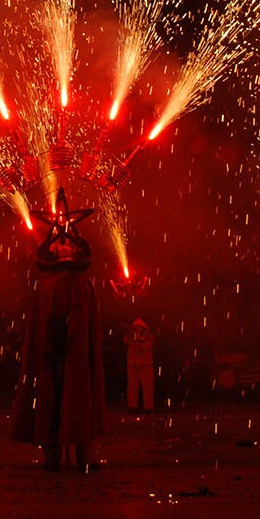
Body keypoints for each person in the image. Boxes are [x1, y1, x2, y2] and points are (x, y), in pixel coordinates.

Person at [10, 192, 105, 473]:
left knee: (78, 394)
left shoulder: (83, 284)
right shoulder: (48, 285)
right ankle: (50, 453)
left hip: (76, 355)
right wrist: (52, 345)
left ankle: (83, 452)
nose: (64, 244)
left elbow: (86, 326)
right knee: (50, 395)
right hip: (52, 354)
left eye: (68, 241)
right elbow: (44, 324)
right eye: (59, 241)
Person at [124, 318, 155, 412]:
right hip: (133, 366)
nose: (137, 330)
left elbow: (142, 348)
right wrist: (132, 336)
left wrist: (138, 340)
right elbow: (125, 340)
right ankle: (132, 407)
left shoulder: (149, 338)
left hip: (146, 366)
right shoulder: (130, 338)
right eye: (135, 328)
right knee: (132, 388)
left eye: (139, 328)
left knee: (148, 388)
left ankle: (149, 408)